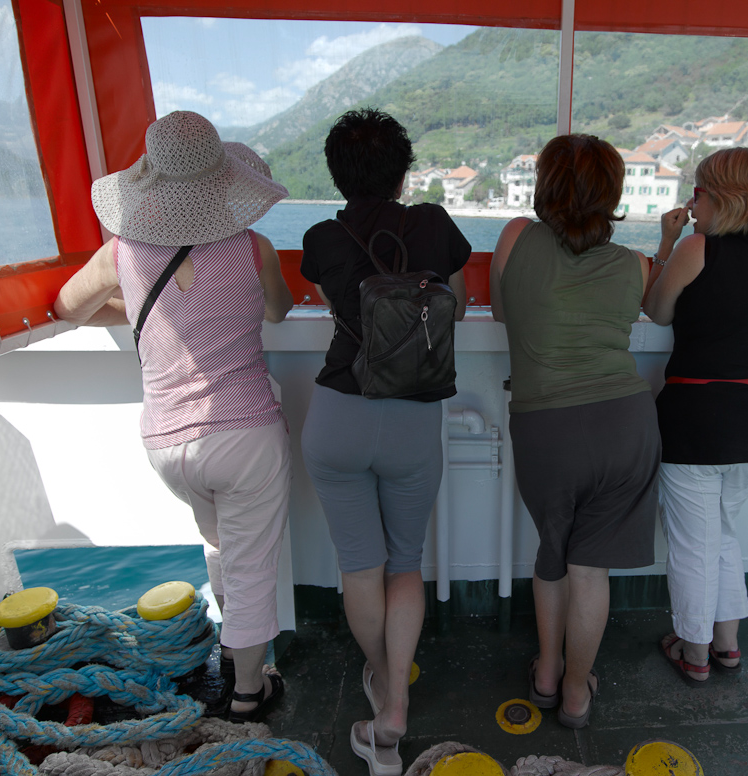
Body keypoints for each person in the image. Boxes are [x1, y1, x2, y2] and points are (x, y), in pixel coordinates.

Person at [54, 111, 294, 721]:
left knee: (219, 545)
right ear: (222, 181)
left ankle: (231, 652)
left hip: (167, 443)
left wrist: (137, 305)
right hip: (244, 434)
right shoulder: (253, 247)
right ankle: (249, 692)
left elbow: (67, 307)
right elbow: (279, 310)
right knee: (251, 566)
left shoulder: (121, 252)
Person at [299, 108, 470, 776]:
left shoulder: (322, 236)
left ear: (337, 174)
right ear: (403, 173)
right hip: (412, 419)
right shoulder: (433, 224)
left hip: (338, 415)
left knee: (359, 567)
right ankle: (394, 709)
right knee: (405, 563)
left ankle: (378, 676)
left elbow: (338, 306)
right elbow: (456, 300)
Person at [490, 134, 660, 728]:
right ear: (613, 192)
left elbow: (503, 311)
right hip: (626, 423)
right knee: (592, 570)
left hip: (546, 427)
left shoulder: (515, 237)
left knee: (553, 554)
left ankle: (545, 672)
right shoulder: (636, 264)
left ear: (545, 185)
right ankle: (576, 694)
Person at [642, 147, 748, 685]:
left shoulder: (698, 249)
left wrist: (666, 244)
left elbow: (656, 310)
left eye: (697, 194)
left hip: (696, 420)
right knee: (723, 533)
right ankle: (727, 645)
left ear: (723, 197)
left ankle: (694, 653)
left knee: (694, 544)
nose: (693, 205)